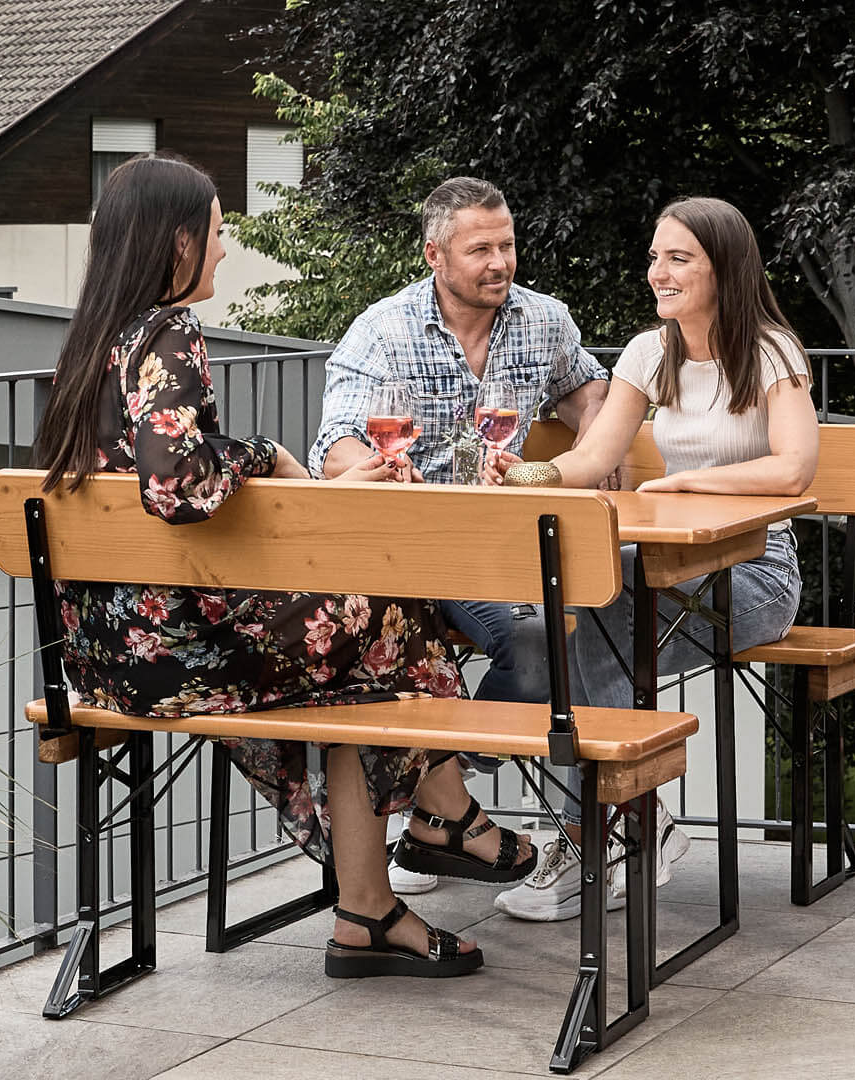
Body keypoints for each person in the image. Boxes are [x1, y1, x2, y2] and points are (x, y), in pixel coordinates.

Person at [34, 153, 535, 978]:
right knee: (395, 611)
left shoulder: (91, 343)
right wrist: (264, 454)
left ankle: (376, 904)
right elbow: (175, 485)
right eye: (219, 232)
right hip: (180, 654)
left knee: (364, 662)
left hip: (102, 659)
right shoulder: (169, 334)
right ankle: (439, 827)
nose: (225, 250)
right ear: (176, 243)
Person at [489, 195, 819, 921]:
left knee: (598, 634)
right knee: (558, 621)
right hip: (665, 567)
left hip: (756, 575)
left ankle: (603, 834)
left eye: (678, 258)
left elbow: (796, 470)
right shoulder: (648, 351)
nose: (657, 273)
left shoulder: (771, 352)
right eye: (654, 257)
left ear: (722, 267)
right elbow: (596, 456)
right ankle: (629, 824)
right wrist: (521, 473)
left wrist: (688, 479)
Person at [308, 176, 611, 893]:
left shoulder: (544, 321)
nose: (500, 262)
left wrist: (588, 457)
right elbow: (336, 448)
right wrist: (379, 470)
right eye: (481, 250)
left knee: (542, 640)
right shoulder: (383, 330)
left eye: (506, 245)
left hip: (499, 549)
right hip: (402, 549)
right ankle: (447, 811)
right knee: (386, 657)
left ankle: (435, 800)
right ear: (435, 255)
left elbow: (590, 389)